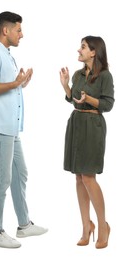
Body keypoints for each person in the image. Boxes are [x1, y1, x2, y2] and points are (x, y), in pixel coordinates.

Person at [0, 11, 48, 249]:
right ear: (5, 30)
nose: (22, 34)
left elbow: (6, 87)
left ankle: (24, 225)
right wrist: (14, 84)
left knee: (20, 173)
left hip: (10, 126)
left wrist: (20, 84)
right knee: (2, 177)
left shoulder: (6, 55)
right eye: (18, 30)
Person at [59, 36, 114, 249]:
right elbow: (74, 98)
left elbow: (108, 104)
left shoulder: (105, 76)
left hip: (93, 125)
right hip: (76, 123)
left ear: (94, 52)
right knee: (78, 178)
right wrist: (66, 86)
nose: (78, 50)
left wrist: (88, 99)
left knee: (89, 177)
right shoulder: (77, 74)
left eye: (82, 47)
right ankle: (85, 226)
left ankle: (102, 226)